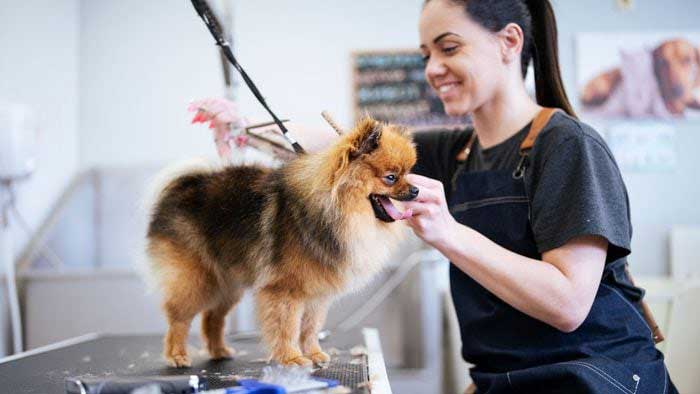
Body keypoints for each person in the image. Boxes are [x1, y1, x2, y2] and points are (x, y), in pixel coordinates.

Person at [403, 0, 678, 392]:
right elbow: (349, 142)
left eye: (448, 48)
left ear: (509, 42)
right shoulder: (456, 153)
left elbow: (567, 304)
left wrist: (448, 232)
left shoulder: (567, 145)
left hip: (591, 380)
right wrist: (285, 137)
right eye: (426, 54)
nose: (432, 69)